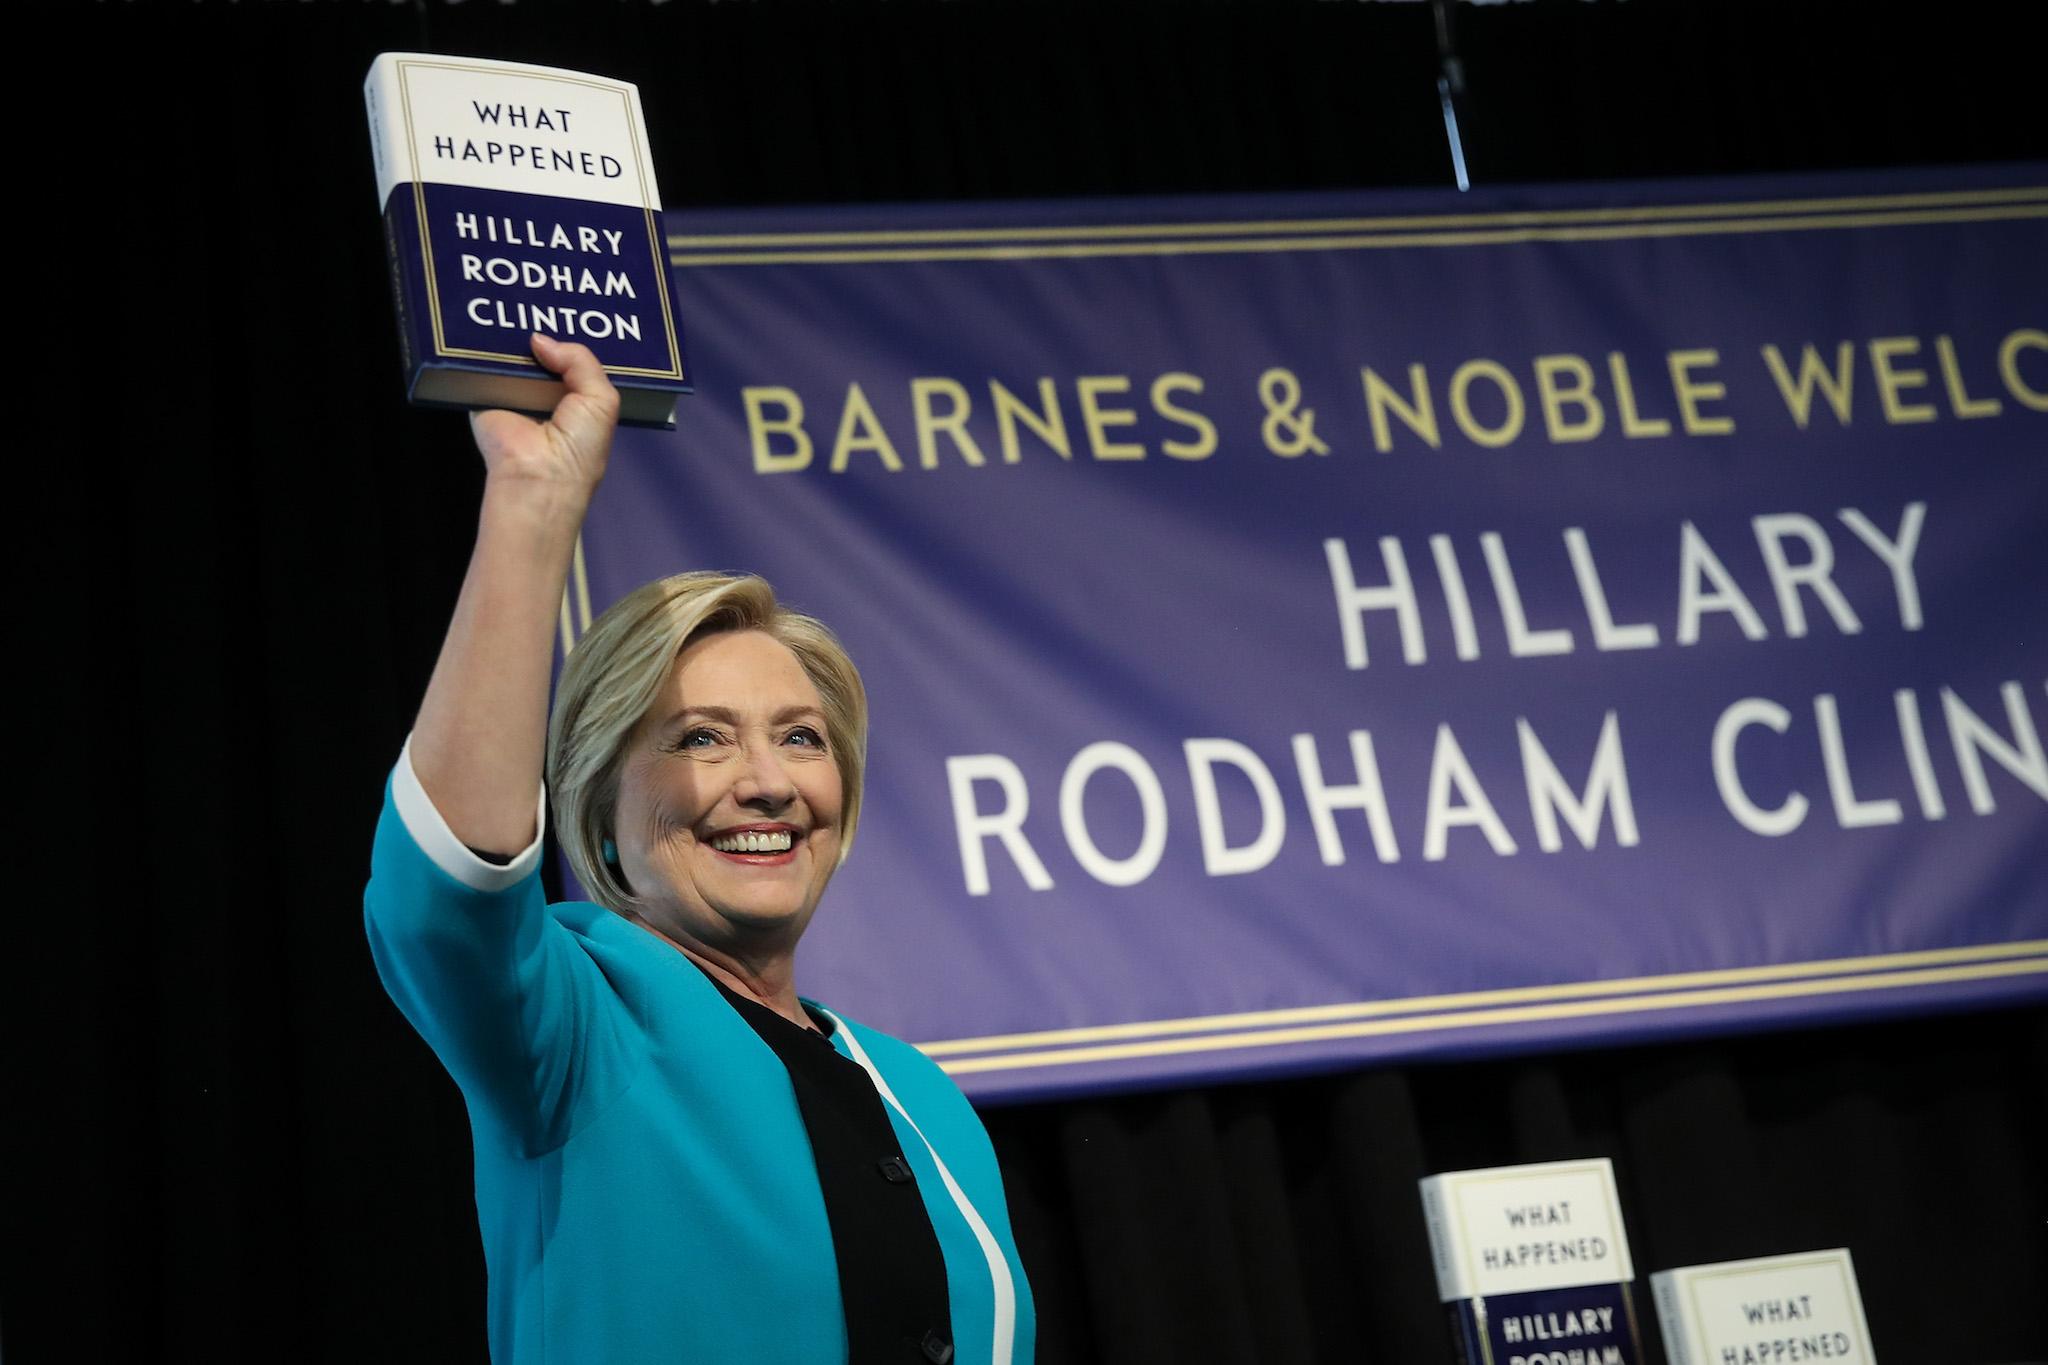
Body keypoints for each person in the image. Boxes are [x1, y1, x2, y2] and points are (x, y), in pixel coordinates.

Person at [364, 335, 1035, 1365]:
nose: (766, 780)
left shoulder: (920, 1094)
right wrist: (533, 507)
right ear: (596, 810)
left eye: (799, 738)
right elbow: (444, 894)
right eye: (700, 738)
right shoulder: (575, 1028)